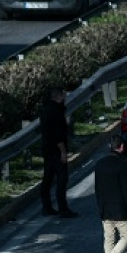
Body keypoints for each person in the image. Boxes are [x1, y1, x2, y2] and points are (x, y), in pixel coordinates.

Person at [94, 136, 127, 253]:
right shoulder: (122, 165)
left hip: (105, 208)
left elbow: (97, 189)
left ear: (110, 146)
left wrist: (100, 208)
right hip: (120, 209)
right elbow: (126, 189)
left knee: (109, 239)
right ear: (122, 147)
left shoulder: (99, 164)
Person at [39, 87, 77, 218]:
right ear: (59, 96)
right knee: (62, 178)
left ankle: (47, 207)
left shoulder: (46, 110)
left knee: (47, 178)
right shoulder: (56, 112)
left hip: (46, 148)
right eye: (63, 96)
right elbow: (57, 134)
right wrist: (63, 152)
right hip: (56, 149)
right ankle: (63, 208)